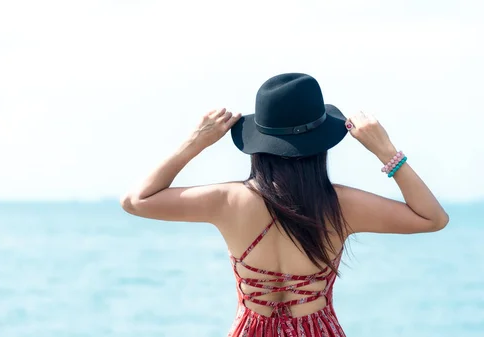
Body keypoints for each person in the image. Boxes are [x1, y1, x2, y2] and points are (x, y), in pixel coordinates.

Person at [120, 73, 449, 336]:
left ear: (258, 143)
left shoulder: (228, 200)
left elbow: (136, 201)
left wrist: (195, 142)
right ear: (321, 143)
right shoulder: (341, 205)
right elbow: (433, 219)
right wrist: (385, 151)